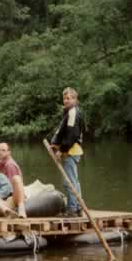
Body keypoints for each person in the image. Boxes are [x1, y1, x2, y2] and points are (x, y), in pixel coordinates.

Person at [50, 87, 84, 217]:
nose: (66, 101)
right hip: (71, 150)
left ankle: (72, 209)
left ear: (75, 99)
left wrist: (62, 150)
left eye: (69, 98)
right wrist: (55, 144)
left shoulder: (73, 112)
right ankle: (78, 207)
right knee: (73, 181)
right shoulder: (69, 112)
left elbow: (72, 134)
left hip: (71, 151)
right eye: (64, 98)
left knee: (68, 182)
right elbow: (64, 132)